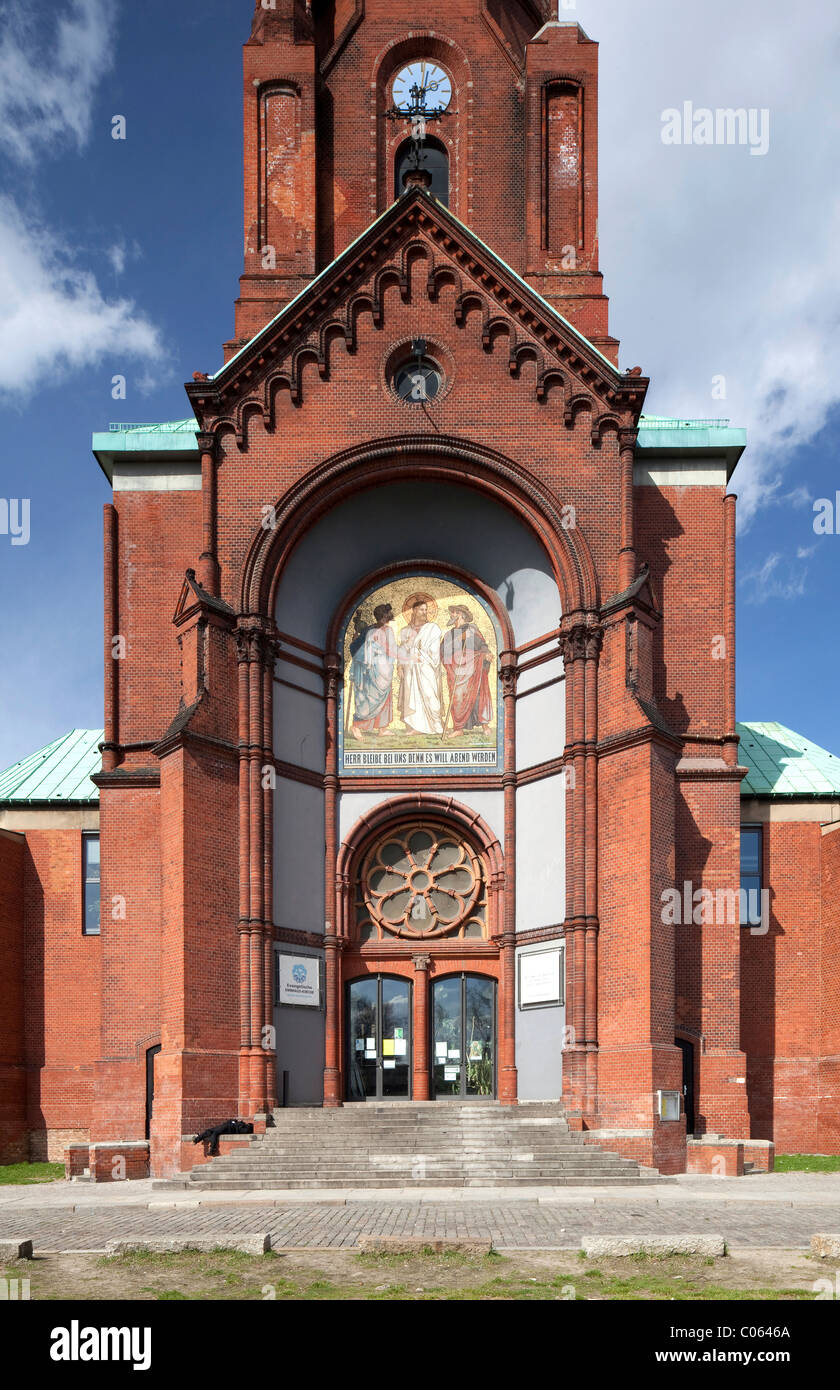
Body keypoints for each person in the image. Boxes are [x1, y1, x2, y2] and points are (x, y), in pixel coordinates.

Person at [440, 604, 493, 736]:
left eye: (453, 613)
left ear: (460, 614)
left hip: (473, 667)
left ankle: (484, 725)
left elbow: (482, 645)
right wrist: (459, 639)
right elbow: (443, 653)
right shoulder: (449, 634)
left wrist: (486, 654)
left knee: (478, 695)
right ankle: (458, 729)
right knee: (457, 697)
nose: (451, 615)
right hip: (456, 670)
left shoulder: (472, 629)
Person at [348, 603, 397, 740]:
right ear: (384, 616)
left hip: (383, 670)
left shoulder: (374, 630)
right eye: (387, 615)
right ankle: (356, 726)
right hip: (373, 671)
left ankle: (382, 728)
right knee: (368, 699)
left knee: (383, 698)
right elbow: (391, 650)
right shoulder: (379, 631)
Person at [397, 596, 443, 735]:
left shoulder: (432, 628)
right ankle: (415, 726)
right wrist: (399, 666)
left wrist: (420, 654)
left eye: (426, 610)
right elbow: (401, 650)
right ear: (414, 611)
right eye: (422, 609)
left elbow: (435, 652)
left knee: (430, 694)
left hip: (426, 667)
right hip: (410, 669)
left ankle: (435, 724)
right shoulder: (405, 631)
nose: (424, 612)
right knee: (411, 695)